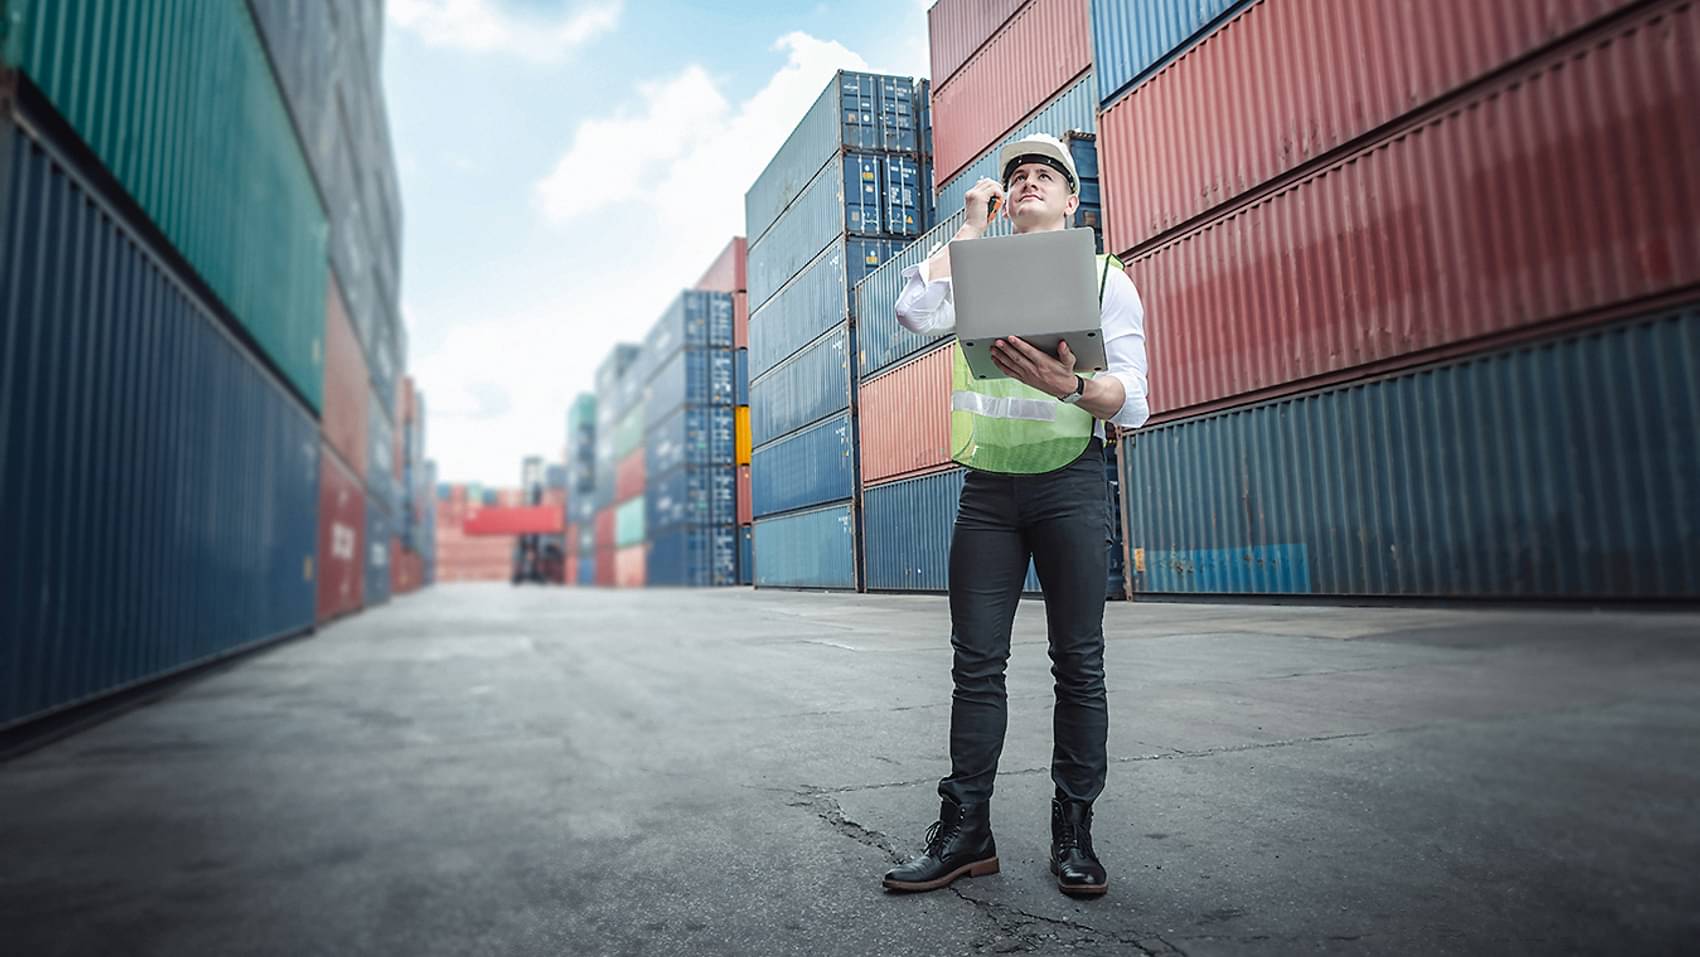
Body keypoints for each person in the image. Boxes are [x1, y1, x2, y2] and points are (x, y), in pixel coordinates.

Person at [881, 133, 1151, 897]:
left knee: (1079, 661)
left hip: (1070, 480)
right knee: (976, 664)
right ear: (1005, 202)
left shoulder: (1103, 275)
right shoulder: (979, 270)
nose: (1029, 181)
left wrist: (1072, 386)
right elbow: (910, 310)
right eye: (1017, 177)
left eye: (1046, 175)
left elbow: (1135, 398)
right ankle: (968, 831)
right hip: (989, 492)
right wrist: (967, 228)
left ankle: (1074, 830)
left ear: (1073, 200)